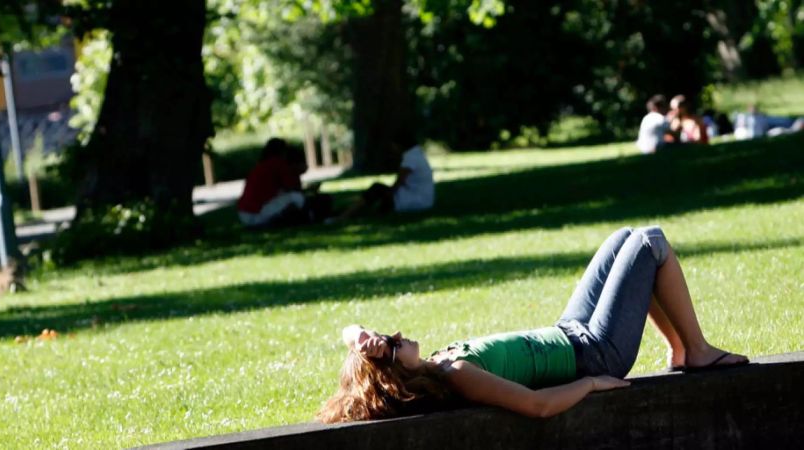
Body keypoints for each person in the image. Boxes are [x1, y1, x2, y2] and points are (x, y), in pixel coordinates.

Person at [319, 226, 749, 423]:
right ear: (402, 375)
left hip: (570, 329)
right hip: (596, 352)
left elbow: (347, 329)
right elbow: (535, 406)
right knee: (649, 242)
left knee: (623, 237)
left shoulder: (437, 363)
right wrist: (593, 384)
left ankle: (680, 350)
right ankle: (697, 351)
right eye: (393, 345)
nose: (396, 334)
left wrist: (360, 338)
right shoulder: (458, 376)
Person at [334, 134, 434, 220]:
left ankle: (345, 215)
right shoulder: (416, 154)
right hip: (419, 198)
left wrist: (387, 194)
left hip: (415, 200)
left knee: (376, 191)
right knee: (375, 196)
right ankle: (349, 212)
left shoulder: (410, 158)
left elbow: (399, 181)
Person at [237, 138, 307, 228]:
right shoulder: (278, 163)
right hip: (256, 213)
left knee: (286, 196)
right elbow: (293, 188)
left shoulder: (263, 164)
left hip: (245, 214)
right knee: (297, 197)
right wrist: (297, 172)